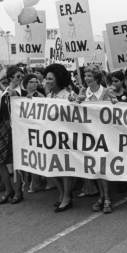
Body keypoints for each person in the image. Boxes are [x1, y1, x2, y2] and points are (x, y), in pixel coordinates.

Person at [41, 63, 76, 211]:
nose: (47, 81)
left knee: (65, 169)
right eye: (46, 78)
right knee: (53, 167)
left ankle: (67, 197)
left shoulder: (68, 96)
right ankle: (62, 193)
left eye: (50, 79)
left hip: (65, 138)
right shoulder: (49, 96)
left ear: (58, 79)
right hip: (51, 138)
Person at [0, 66, 26, 205]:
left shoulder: (22, 92)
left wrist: (16, 97)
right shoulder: (2, 94)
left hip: (17, 130)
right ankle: (8, 189)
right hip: (4, 129)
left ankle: (18, 192)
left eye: (21, 76)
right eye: (18, 76)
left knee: (15, 162)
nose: (20, 78)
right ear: (10, 77)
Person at [73, 65, 105, 200]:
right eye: (85, 76)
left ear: (96, 78)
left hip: (103, 135)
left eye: (89, 76)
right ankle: (92, 189)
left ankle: (106, 196)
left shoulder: (106, 92)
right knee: (90, 162)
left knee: (102, 165)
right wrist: (76, 101)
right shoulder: (83, 91)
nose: (86, 78)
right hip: (88, 134)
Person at [19, 72, 47, 194]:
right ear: (25, 83)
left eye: (36, 82)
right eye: (31, 82)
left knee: (35, 156)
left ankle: (35, 183)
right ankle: (26, 181)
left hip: (36, 130)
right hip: (23, 130)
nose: (34, 84)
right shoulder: (20, 96)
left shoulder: (40, 96)